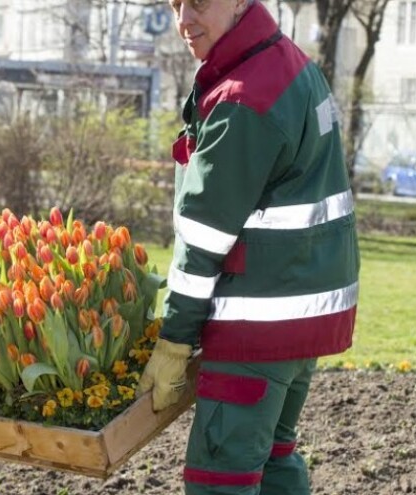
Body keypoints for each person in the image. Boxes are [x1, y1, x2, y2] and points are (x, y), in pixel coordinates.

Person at [139, 0, 359, 494]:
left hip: (255, 326)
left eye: (198, 2)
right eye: (175, 4)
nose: (183, 20)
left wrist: (175, 342)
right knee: (275, 460)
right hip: (304, 318)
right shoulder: (293, 66)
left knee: (221, 478)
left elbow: (203, 239)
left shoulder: (244, 97)